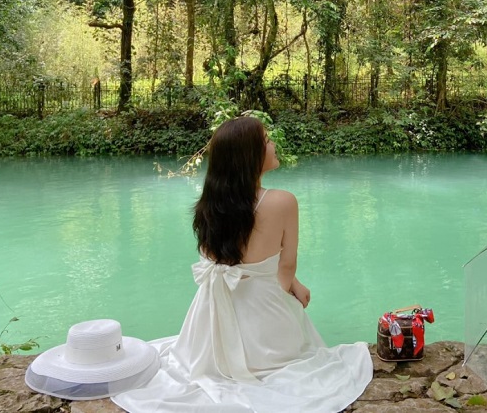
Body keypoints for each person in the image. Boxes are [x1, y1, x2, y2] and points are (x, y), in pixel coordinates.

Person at [112, 116, 373, 412]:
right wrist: (284, 296)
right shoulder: (283, 201)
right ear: (249, 155)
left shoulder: (209, 203)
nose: (273, 145)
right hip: (262, 317)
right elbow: (286, 265)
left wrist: (293, 284)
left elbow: (229, 259)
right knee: (296, 354)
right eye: (266, 141)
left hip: (210, 313)